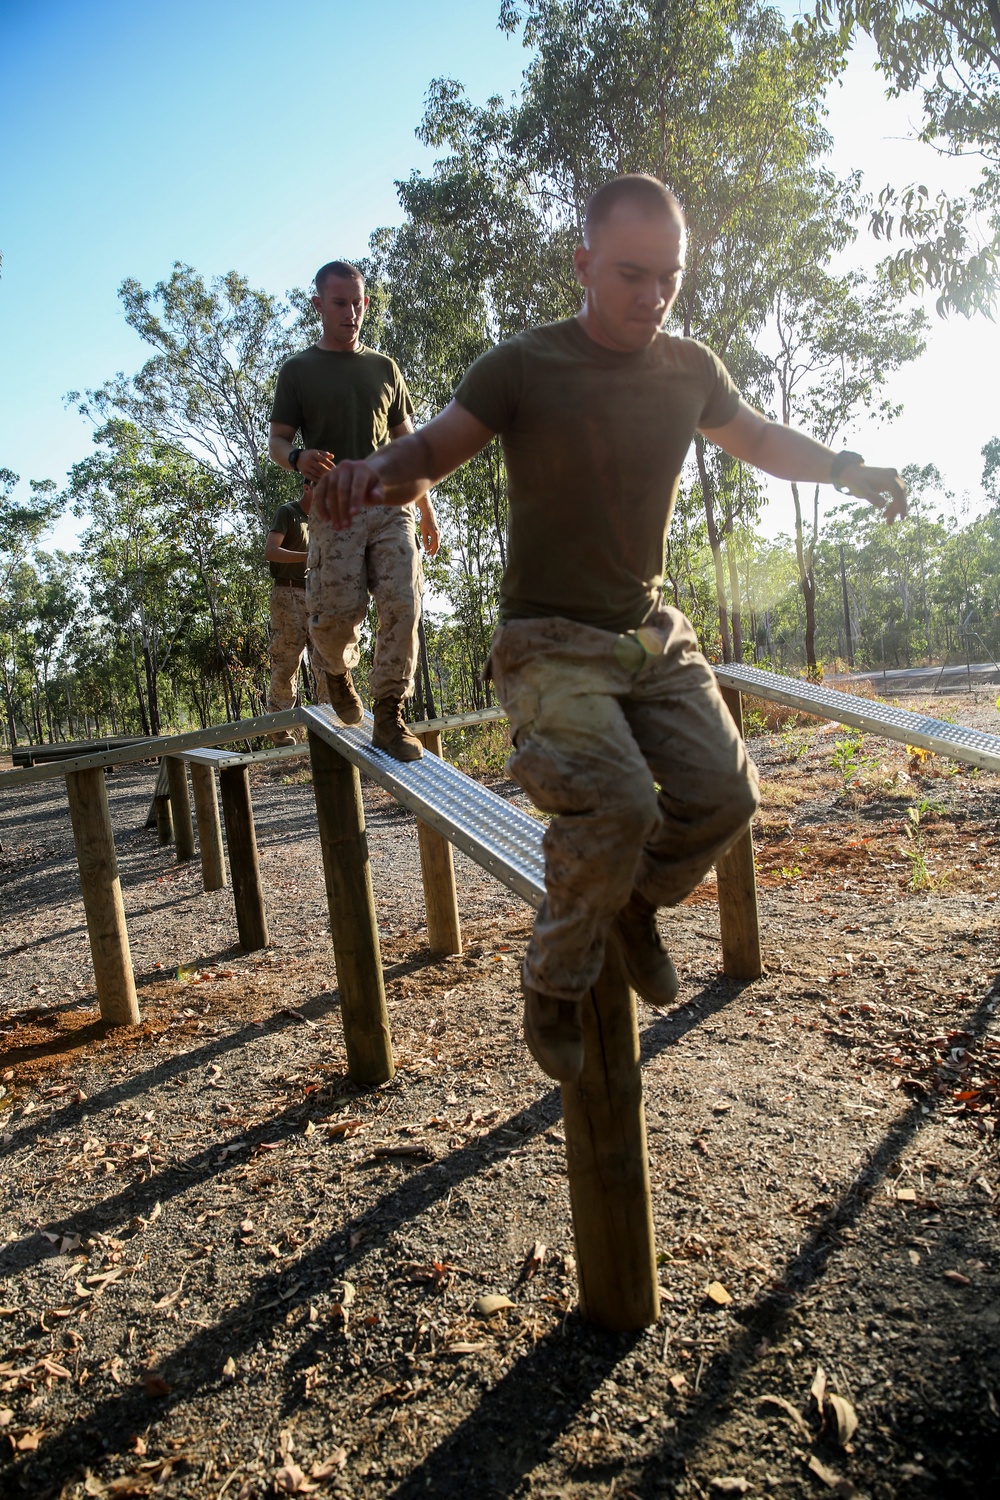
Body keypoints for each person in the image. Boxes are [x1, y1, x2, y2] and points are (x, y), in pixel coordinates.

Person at [311, 175, 907, 1082]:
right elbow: (431, 447)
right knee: (622, 803)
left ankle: (632, 905)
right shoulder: (524, 366)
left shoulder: (689, 369)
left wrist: (844, 466)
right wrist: (373, 472)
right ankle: (553, 978)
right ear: (583, 263)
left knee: (728, 795)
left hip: (648, 631)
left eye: (669, 277)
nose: (652, 296)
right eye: (631, 274)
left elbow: (756, 437)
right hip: (547, 640)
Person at [268, 259, 440, 761]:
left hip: (391, 504)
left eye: (358, 303)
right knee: (335, 616)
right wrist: (298, 457)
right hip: (335, 509)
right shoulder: (299, 370)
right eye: (339, 303)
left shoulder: (384, 368)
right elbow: (278, 442)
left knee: (403, 603)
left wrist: (426, 509)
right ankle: (337, 673)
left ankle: (389, 714)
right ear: (319, 305)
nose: (351, 313)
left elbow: (411, 446)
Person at [263, 482, 330, 746]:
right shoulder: (287, 512)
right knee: (286, 661)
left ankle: (330, 722)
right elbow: (271, 551)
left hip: (317, 594)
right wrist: (307, 556)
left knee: (327, 660)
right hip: (287, 595)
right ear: (307, 486)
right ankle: (280, 730)